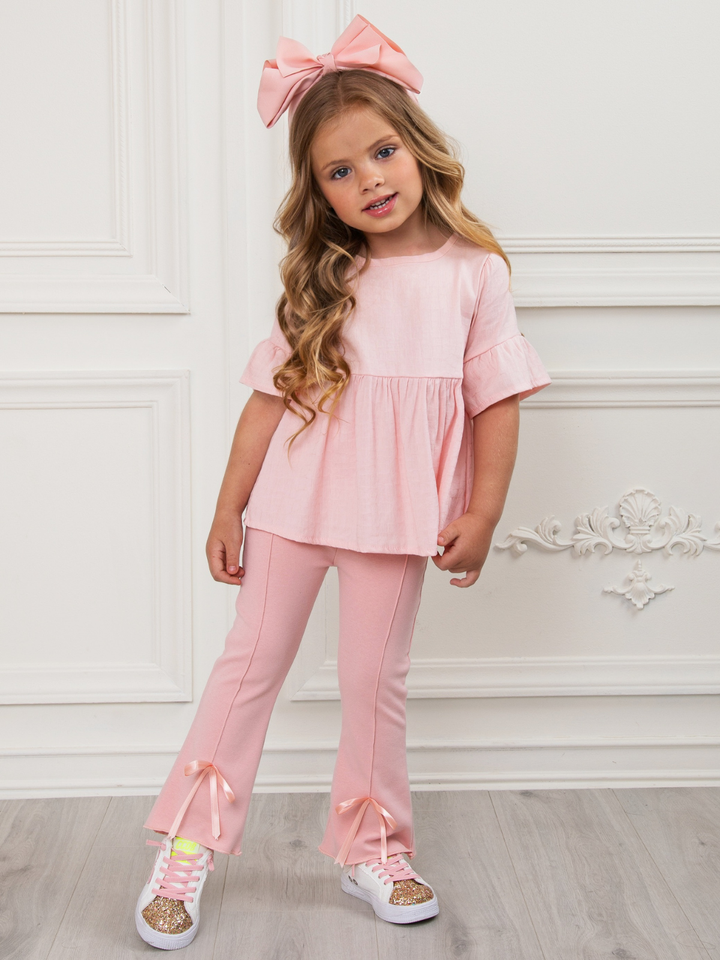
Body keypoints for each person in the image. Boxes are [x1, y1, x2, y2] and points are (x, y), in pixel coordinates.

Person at [135, 14, 551, 950]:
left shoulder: (475, 275)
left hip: (398, 518)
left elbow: (496, 401)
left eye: (383, 152)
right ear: (316, 191)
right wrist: (229, 507)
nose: (369, 179)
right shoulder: (325, 279)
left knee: (373, 684)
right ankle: (187, 845)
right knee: (248, 671)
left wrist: (484, 511)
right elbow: (265, 404)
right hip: (291, 508)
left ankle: (374, 848)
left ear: (418, 147)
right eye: (339, 170)